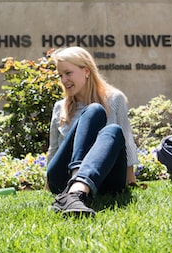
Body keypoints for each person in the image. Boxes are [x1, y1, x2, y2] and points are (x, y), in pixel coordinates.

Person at [46, 46, 139, 217]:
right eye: (60, 75)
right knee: (94, 111)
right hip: (63, 178)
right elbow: (54, 149)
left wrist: (130, 178)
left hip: (105, 178)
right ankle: (74, 190)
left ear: (86, 71)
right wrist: (47, 184)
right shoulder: (60, 107)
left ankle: (76, 192)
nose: (64, 80)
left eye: (68, 73)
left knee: (112, 128)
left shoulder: (114, 99)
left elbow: (126, 139)